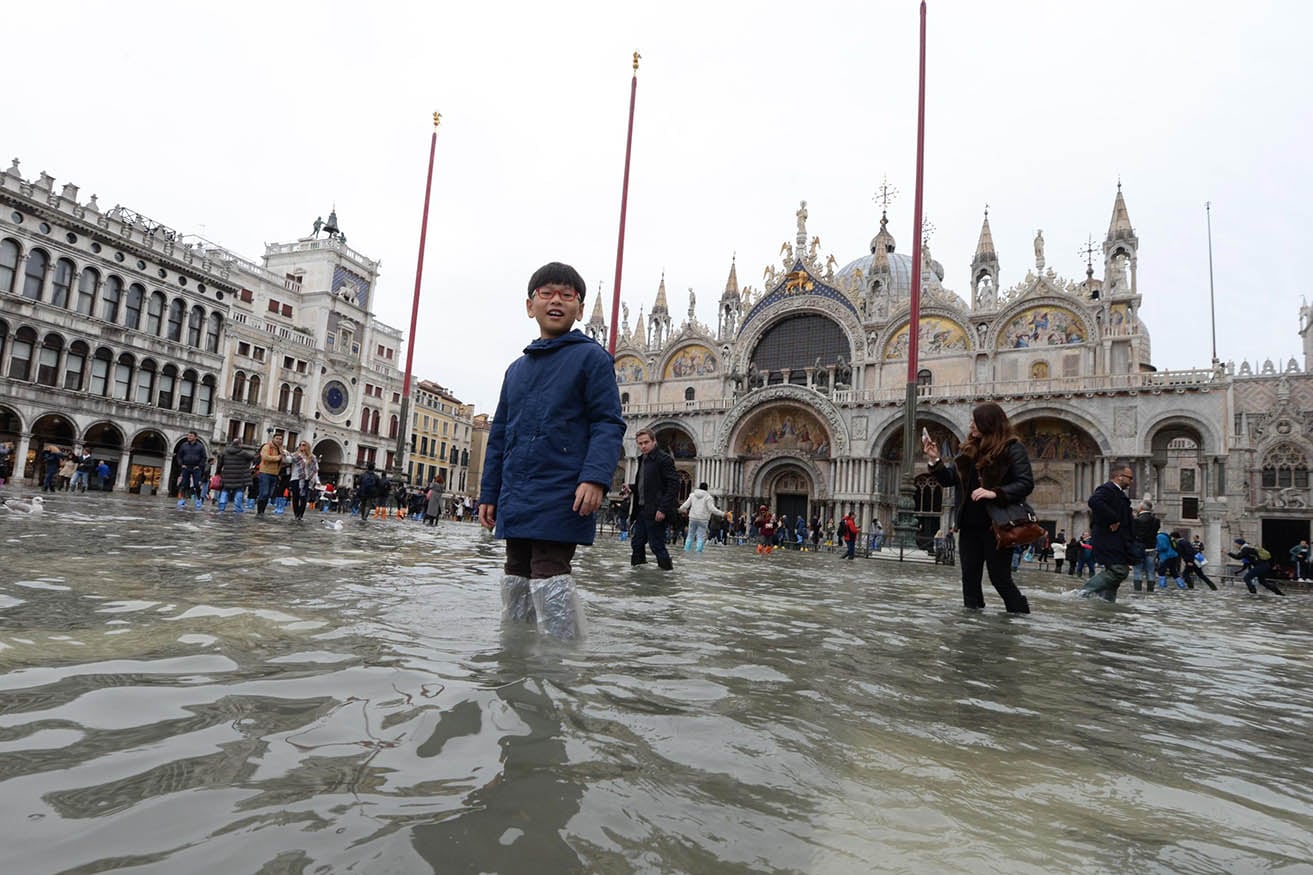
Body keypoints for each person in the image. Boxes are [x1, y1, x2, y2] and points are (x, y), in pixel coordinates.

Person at [478, 262, 626, 639]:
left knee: (549, 567)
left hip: (563, 488)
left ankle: (561, 662)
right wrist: (489, 493)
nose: (556, 301)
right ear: (530, 306)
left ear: (579, 308)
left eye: (567, 294)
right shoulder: (515, 369)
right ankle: (514, 650)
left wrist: (595, 478)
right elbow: (499, 435)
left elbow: (607, 423)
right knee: (515, 568)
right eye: (546, 294)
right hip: (517, 489)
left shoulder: (592, 358)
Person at [924, 401, 1031, 613]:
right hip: (969, 525)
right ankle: (972, 624)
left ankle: (1020, 618)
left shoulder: (1012, 448)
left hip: (998, 524)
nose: (971, 425)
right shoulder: (968, 449)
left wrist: (995, 492)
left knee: (1000, 578)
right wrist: (935, 460)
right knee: (969, 579)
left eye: (975, 421)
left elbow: (1026, 483)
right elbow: (949, 479)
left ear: (988, 423)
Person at [1080, 463, 1137, 602]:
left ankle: (1106, 603)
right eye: (1130, 478)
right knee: (1119, 571)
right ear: (1119, 477)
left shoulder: (1117, 492)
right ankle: (1082, 593)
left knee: (1115, 576)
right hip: (1108, 539)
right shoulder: (1108, 489)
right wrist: (1113, 519)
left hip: (1118, 540)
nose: (1131, 481)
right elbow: (1094, 501)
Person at [628, 427, 679, 571]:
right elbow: (645, 484)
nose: (643, 446)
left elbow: (674, 485)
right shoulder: (642, 459)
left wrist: (663, 508)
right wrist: (631, 488)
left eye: (646, 442)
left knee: (657, 545)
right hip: (642, 509)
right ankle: (637, 576)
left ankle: (667, 575)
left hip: (656, 510)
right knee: (637, 543)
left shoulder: (664, 459)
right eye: (640, 443)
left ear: (654, 441)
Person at [678, 481, 723, 553]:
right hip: (703, 519)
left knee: (690, 535)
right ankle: (698, 552)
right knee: (701, 537)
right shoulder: (708, 497)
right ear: (707, 489)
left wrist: (680, 509)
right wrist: (723, 514)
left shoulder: (692, 495)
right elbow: (712, 509)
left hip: (692, 518)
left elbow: (686, 505)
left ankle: (686, 550)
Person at [215, 438, 253, 512]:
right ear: (239, 444)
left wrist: (218, 472)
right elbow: (252, 458)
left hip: (227, 476)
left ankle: (221, 507)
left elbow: (220, 464)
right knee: (239, 491)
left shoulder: (225, 452)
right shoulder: (243, 453)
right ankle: (237, 508)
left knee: (225, 490)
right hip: (239, 476)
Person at [1130, 499, 1161, 591]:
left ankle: (1138, 591)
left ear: (1141, 508)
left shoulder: (1137, 520)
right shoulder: (1156, 521)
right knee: (1151, 571)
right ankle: (1150, 591)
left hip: (1139, 548)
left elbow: (1134, 534)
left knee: (1137, 571)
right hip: (1151, 548)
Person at [285, 440, 319, 521]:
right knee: (295, 497)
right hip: (295, 478)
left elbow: (315, 469)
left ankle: (301, 515)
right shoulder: (295, 455)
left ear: (307, 446)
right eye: (300, 445)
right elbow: (287, 460)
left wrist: (315, 480)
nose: (301, 446)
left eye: (304, 445)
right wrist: (284, 453)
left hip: (306, 479)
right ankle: (296, 514)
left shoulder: (312, 457)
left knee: (303, 498)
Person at [174, 431, 208, 508]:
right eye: (188, 436)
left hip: (196, 468)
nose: (189, 437)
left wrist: (199, 466)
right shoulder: (184, 445)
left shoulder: (200, 446)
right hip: (186, 467)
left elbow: (204, 457)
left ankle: (198, 499)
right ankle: (182, 499)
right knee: (184, 484)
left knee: (196, 484)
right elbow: (179, 456)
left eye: (191, 436)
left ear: (195, 437)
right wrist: (181, 464)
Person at [254, 433, 284, 516]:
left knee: (269, 494)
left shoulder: (280, 449)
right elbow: (265, 457)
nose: (279, 440)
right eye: (277, 438)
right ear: (273, 439)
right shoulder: (267, 446)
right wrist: (277, 458)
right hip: (265, 472)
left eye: (280, 439)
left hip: (275, 473)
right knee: (264, 493)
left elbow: (283, 459)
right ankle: (259, 511)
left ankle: (262, 511)